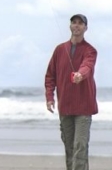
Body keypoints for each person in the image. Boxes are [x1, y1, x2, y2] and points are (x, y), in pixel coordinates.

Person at [45, 13, 98, 170]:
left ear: (85, 28)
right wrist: (49, 97)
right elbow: (50, 76)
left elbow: (87, 65)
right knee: (69, 147)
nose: (77, 25)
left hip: (84, 107)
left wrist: (80, 74)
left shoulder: (91, 51)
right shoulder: (60, 50)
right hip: (66, 107)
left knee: (80, 145)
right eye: (74, 22)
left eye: (80, 23)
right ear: (70, 26)